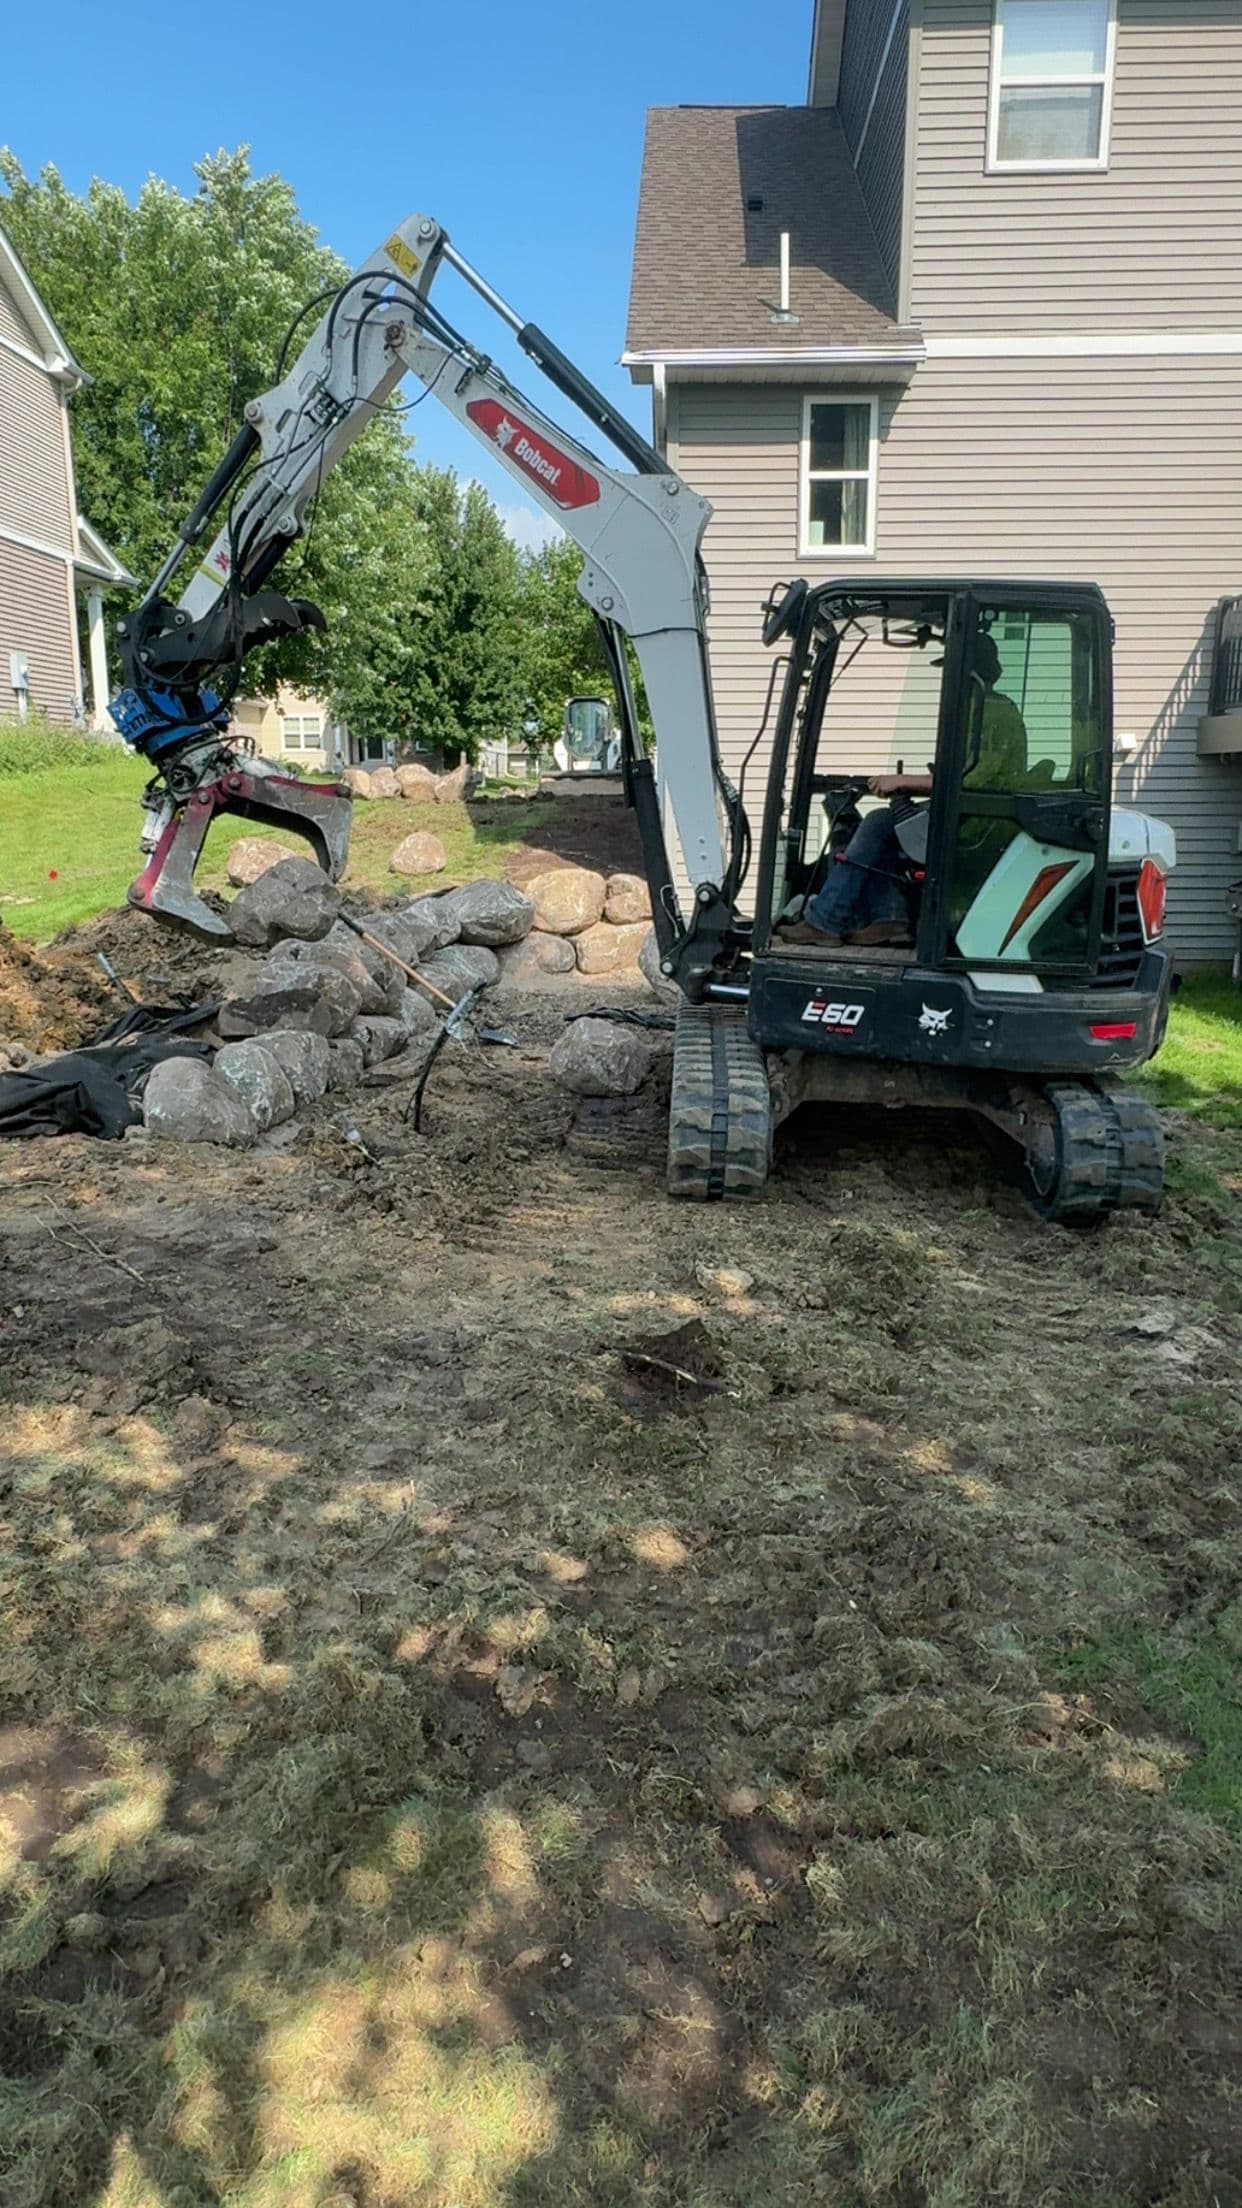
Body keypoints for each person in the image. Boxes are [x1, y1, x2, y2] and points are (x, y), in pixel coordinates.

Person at [778, 632, 1028, 948]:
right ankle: (888, 919)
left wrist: (903, 781)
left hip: (977, 822)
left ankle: (827, 921)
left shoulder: (992, 713)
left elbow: (972, 781)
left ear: (971, 673)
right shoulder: (985, 710)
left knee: (878, 824)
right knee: (884, 825)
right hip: (973, 814)